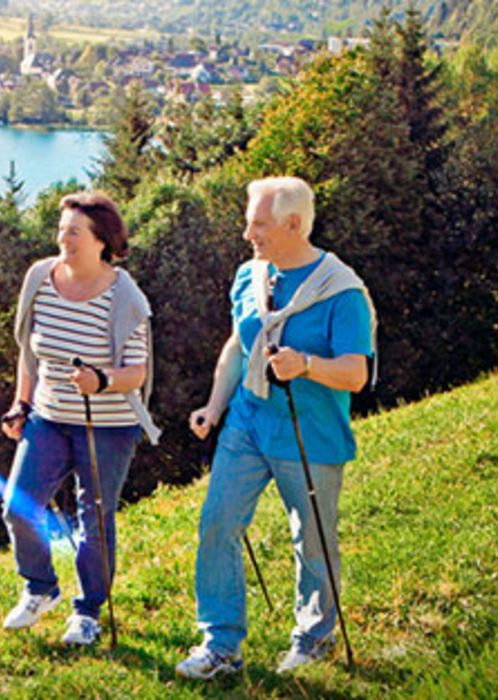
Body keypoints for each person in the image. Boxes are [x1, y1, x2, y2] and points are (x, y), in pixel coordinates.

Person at [176, 177, 377, 678]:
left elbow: (356, 373)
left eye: (258, 224)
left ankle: (314, 638)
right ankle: (221, 645)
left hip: (309, 433)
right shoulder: (251, 277)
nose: (248, 234)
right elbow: (237, 345)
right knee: (218, 523)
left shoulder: (341, 291)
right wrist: (214, 406)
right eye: (249, 222)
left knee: (311, 539)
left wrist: (307, 364)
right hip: (248, 421)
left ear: (293, 224)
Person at [0, 191, 162, 646]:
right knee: (18, 505)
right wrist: (21, 405)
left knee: (94, 516)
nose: (63, 239)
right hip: (48, 418)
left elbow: (137, 373)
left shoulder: (125, 297)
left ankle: (88, 612)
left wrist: (101, 380)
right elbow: (28, 353)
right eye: (61, 230)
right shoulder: (39, 278)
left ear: (101, 241)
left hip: (107, 425)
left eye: (73, 232)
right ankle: (40, 588)